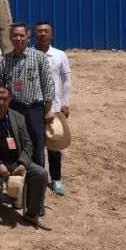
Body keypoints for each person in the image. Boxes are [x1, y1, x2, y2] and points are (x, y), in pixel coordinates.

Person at [0, 85, 50, 229]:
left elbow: (28, 143)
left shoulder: (18, 117)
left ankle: (32, 214)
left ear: (10, 100)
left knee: (41, 173)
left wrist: (22, 163)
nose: (1, 102)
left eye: (5, 99)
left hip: (16, 161)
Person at [0, 23, 55, 170]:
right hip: (13, 109)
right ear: (10, 38)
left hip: (34, 109)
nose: (18, 38)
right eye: (15, 35)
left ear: (28, 38)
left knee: (37, 144)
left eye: (22, 35)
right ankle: (18, 177)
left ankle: (38, 176)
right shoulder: (5, 60)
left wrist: (48, 110)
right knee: (15, 144)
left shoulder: (39, 57)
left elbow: (47, 84)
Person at [35, 21, 72, 196]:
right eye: (39, 31)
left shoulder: (59, 55)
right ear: (34, 35)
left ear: (51, 35)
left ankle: (56, 179)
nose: (43, 34)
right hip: (33, 107)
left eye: (46, 31)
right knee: (36, 145)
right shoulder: (29, 54)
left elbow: (66, 80)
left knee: (55, 144)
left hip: (55, 107)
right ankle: (38, 178)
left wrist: (66, 103)